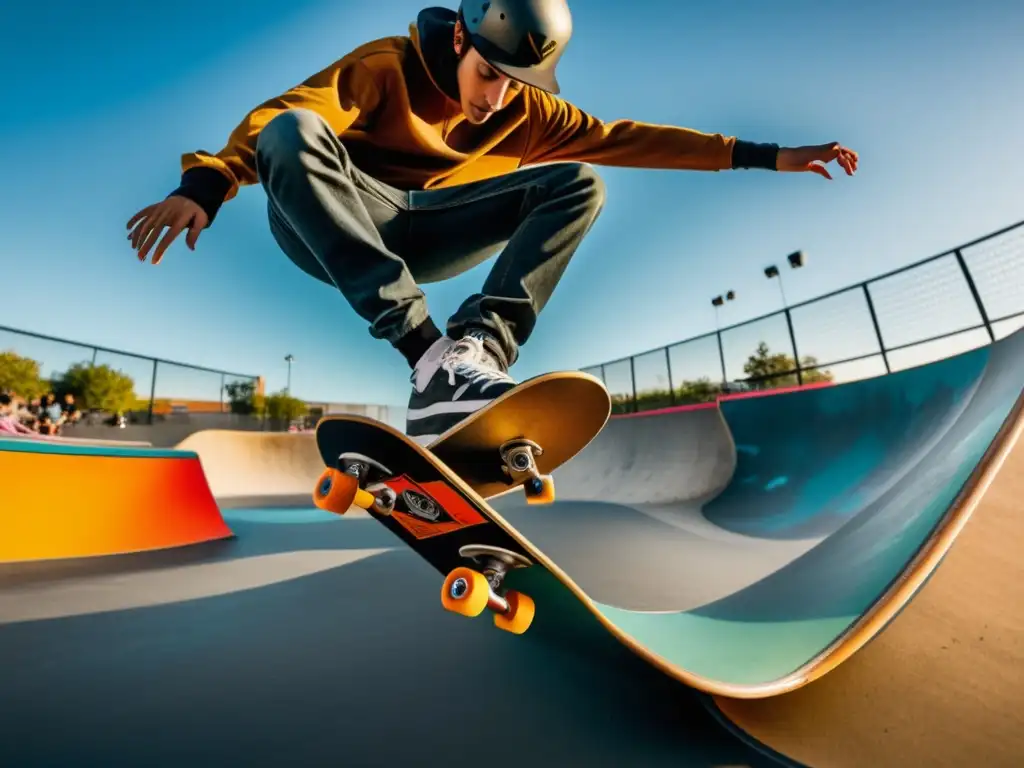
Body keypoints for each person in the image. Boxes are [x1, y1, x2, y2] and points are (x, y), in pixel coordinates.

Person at [126, 1, 858, 444]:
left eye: (517, 86)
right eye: (489, 76)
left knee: (581, 181)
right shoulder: (385, 66)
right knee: (290, 131)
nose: (499, 100)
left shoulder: (532, 112)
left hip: (434, 233)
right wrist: (207, 184)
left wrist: (765, 156)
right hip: (334, 216)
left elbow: (634, 137)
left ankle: (476, 350)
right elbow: (289, 120)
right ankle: (427, 358)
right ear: (458, 42)